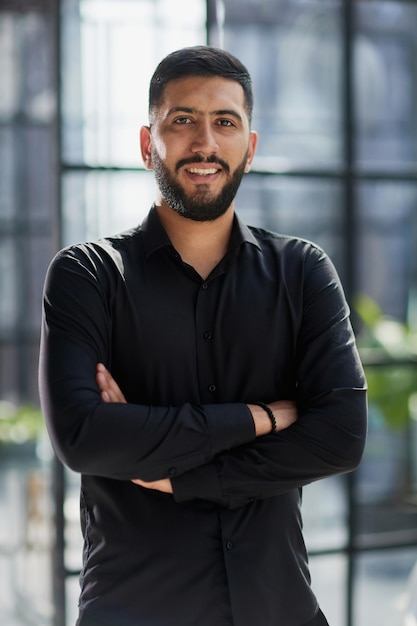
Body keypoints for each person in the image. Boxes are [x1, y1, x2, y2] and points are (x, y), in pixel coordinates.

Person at [39, 45, 367, 626]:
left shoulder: (303, 271)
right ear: (148, 145)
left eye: (225, 122)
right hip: (133, 609)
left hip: (280, 608)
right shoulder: (88, 274)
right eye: (182, 121)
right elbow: (85, 436)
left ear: (250, 147)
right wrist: (263, 418)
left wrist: (176, 472)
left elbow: (340, 435)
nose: (205, 143)